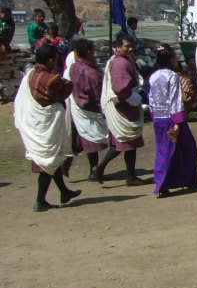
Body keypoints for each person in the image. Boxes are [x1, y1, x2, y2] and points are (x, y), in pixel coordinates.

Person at [14, 45, 82, 211]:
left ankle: (64, 192)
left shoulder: (30, 75)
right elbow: (66, 88)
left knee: (54, 160)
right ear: (51, 60)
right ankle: (40, 201)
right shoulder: (50, 79)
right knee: (48, 162)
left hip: (35, 125)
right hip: (44, 129)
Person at [95, 33, 146, 186]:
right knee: (124, 141)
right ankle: (101, 168)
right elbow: (120, 88)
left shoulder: (121, 61)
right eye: (126, 46)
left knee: (129, 144)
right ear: (118, 47)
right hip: (124, 106)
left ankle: (130, 175)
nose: (130, 49)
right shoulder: (120, 64)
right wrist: (135, 98)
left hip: (125, 104)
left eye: (131, 46)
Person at [149, 46, 197, 197]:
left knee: (165, 150)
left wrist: (153, 116)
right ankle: (166, 183)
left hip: (159, 119)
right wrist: (177, 121)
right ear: (170, 59)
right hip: (172, 119)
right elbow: (176, 100)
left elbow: (151, 98)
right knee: (187, 149)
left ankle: (176, 181)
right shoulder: (172, 76)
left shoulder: (153, 76)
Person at [69, 39, 109, 180]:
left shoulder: (73, 68)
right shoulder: (91, 73)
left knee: (87, 138)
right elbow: (97, 94)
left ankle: (91, 168)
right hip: (90, 109)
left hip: (78, 106)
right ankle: (95, 169)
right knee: (94, 138)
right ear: (89, 52)